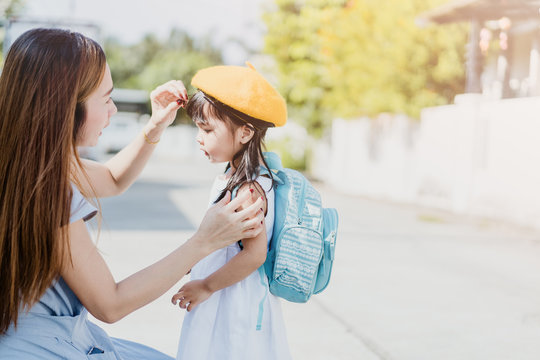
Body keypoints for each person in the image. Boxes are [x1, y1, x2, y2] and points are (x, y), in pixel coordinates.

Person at [0, 29, 264, 359]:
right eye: (105, 99)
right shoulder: (47, 191)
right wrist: (204, 241)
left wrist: (155, 126)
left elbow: (111, 178)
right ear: (66, 106)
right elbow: (111, 304)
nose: (112, 111)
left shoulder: (25, 160)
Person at [171, 64, 292, 360]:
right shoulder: (235, 178)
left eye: (207, 129)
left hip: (233, 303)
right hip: (224, 295)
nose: (199, 137)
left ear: (245, 133)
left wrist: (206, 285)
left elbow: (254, 254)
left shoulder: (248, 188)